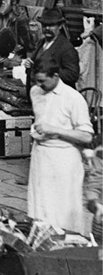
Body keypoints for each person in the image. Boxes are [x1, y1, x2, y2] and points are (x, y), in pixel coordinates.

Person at [27, 66, 95, 234]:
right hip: (41, 155)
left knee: (63, 209)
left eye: (43, 81)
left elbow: (86, 136)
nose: (39, 85)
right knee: (40, 204)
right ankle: (41, 241)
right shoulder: (35, 92)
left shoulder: (73, 98)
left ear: (55, 75)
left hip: (64, 158)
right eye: (36, 81)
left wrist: (55, 130)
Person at [35, 7, 80, 88]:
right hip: (41, 92)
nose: (47, 28)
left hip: (59, 95)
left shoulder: (66, 48)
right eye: (44, 25)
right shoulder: (41, 43)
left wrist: (50, 70)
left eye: (51, 25)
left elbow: (73, 75)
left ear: (60, 26)